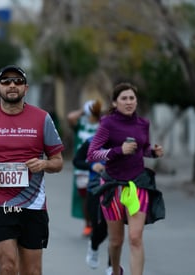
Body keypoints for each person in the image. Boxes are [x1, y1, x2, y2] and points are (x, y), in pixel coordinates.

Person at [0, 65, 64, 275]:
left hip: (33, 204)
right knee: (8, 265)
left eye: (18, 82)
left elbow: (58, 161)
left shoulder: (42, 118)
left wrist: (44, 164)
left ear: (25, 88)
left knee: (33, 271)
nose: (12, 85)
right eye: (6, 82)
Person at [87, 82, 164, 275]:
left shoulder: (143, 124)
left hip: (137, 185)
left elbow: (143, 148)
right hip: (112, 186)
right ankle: (115, 271)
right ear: (115, 102)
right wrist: (118, 150)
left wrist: (153, 152)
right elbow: (92, 154)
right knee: (115, 241)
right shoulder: (108, 123)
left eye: (132, 98)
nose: (129, 102)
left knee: (136, 237)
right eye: (124, 98)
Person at [73, 135, 110, 270]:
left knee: (114, 231)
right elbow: (77, 161)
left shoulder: (123, 141)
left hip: (116, 188)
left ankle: (112, 266)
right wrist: (92, 165)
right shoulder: (91, 141)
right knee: (99, 229)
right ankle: (94, 246)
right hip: (95, 189)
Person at [67, 99, 102, 237]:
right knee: (86, 197)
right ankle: (88, 224)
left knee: (99, 195)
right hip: (82, 167)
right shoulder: (81, 124)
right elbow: (70, 118)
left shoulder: (102, 124)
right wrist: (83, 110)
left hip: (99, 166)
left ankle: (99, 223)